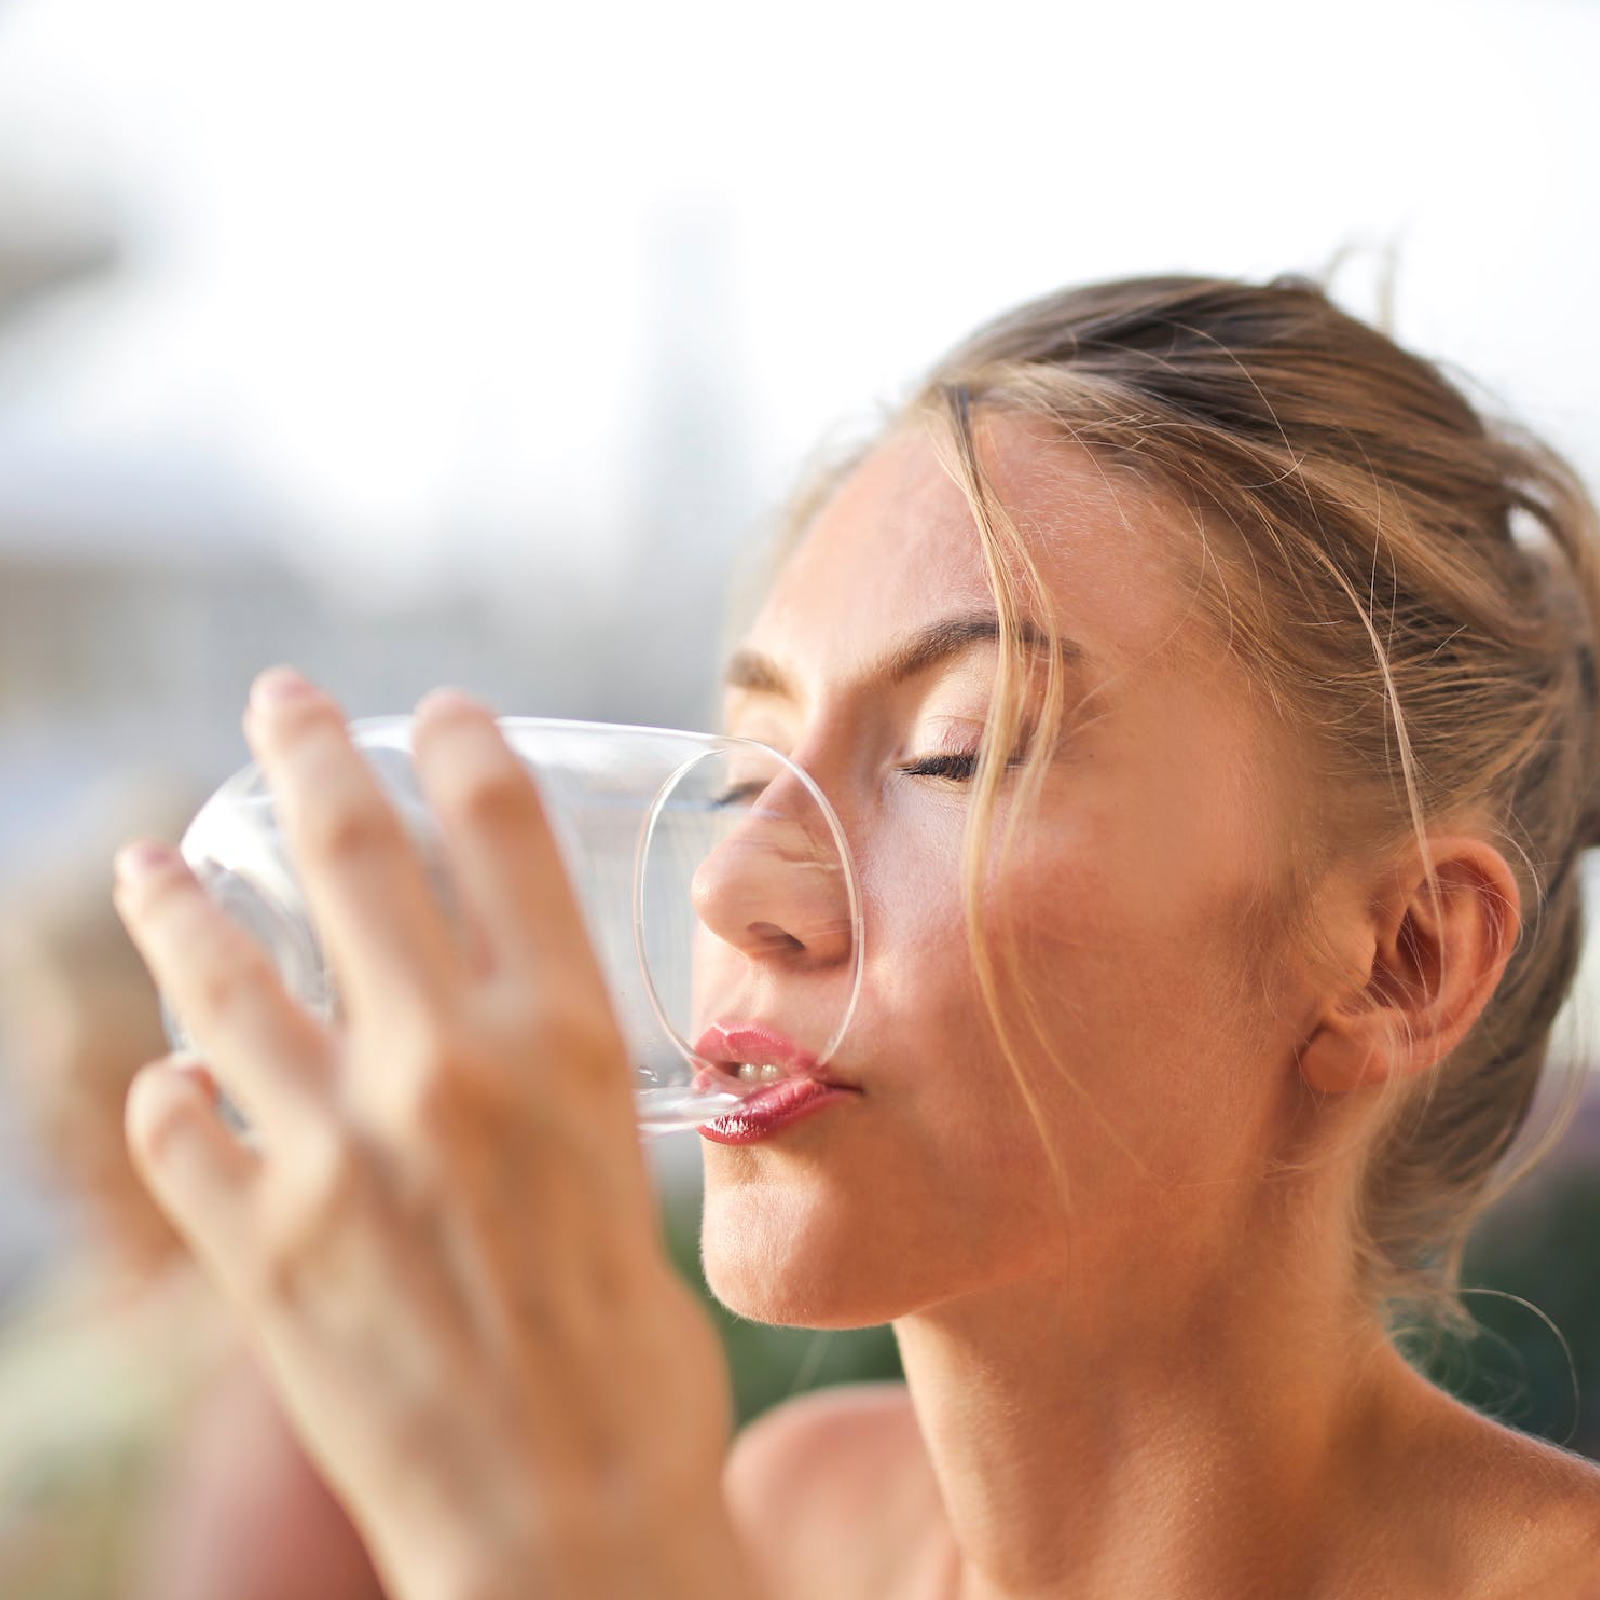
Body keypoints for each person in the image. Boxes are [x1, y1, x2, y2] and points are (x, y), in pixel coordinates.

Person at [111, 274, 1600, 1600]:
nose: (731, 881)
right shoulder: (797, 1517)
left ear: (1401, 958)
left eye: (958, 752)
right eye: (746, 771)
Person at [0, 778, 386, 1600]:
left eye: (90, 1093)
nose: (52, 1156)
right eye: (42, 1102)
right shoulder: (80, 1294)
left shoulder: (283, 1336)